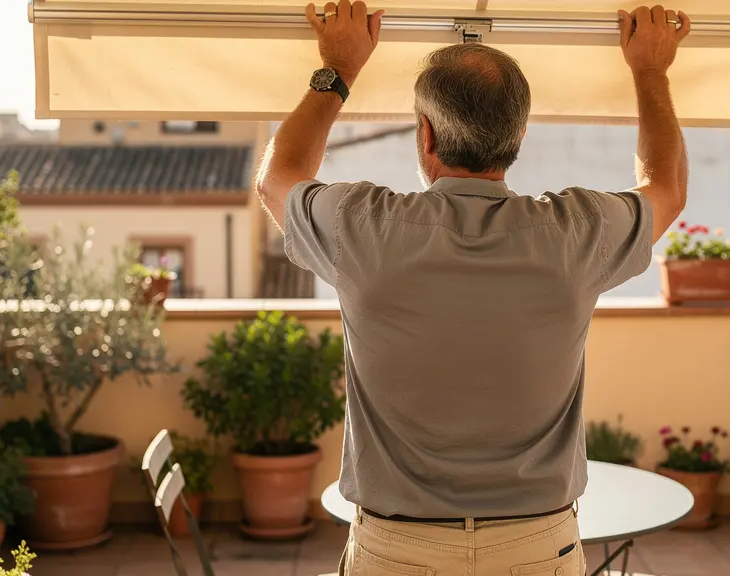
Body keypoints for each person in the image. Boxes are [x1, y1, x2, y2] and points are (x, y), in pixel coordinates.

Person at [256, 2, 690, 574]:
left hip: (395, 551)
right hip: (538, 548)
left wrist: (338, 69)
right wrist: (650, 72)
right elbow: (667, 187)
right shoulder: (577, 232)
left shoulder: (362, 227)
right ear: (519, 137)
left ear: (426, 135)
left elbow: (277, 178)